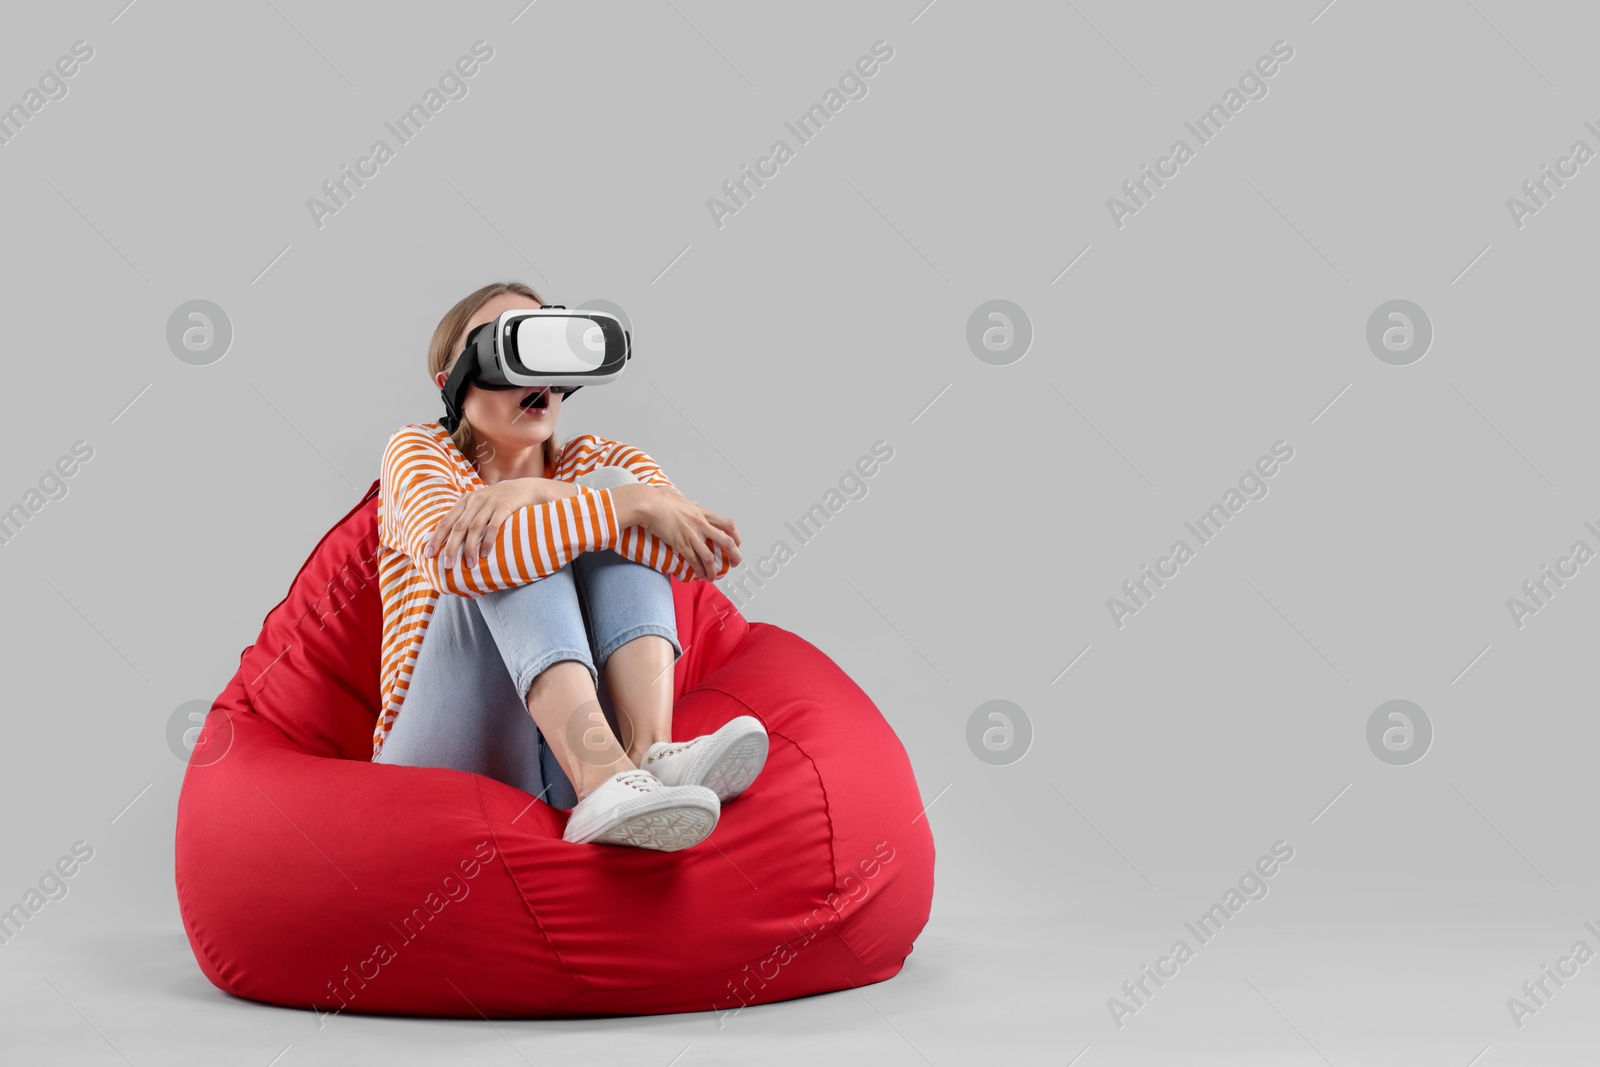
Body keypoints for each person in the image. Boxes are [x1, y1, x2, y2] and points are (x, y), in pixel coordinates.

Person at [371, 281, 768, 851]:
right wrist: (632, 508)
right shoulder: (419, 450)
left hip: (549, 761)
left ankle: (647, 756)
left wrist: (542, 492)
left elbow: (699, 555)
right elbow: (464, 567)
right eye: (507, 349)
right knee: (520, 541)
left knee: (602, 488)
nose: (534, 376)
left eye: (545, 349)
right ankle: (603, 777)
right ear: (451, 383)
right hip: (437, 752)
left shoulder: (604, 461)